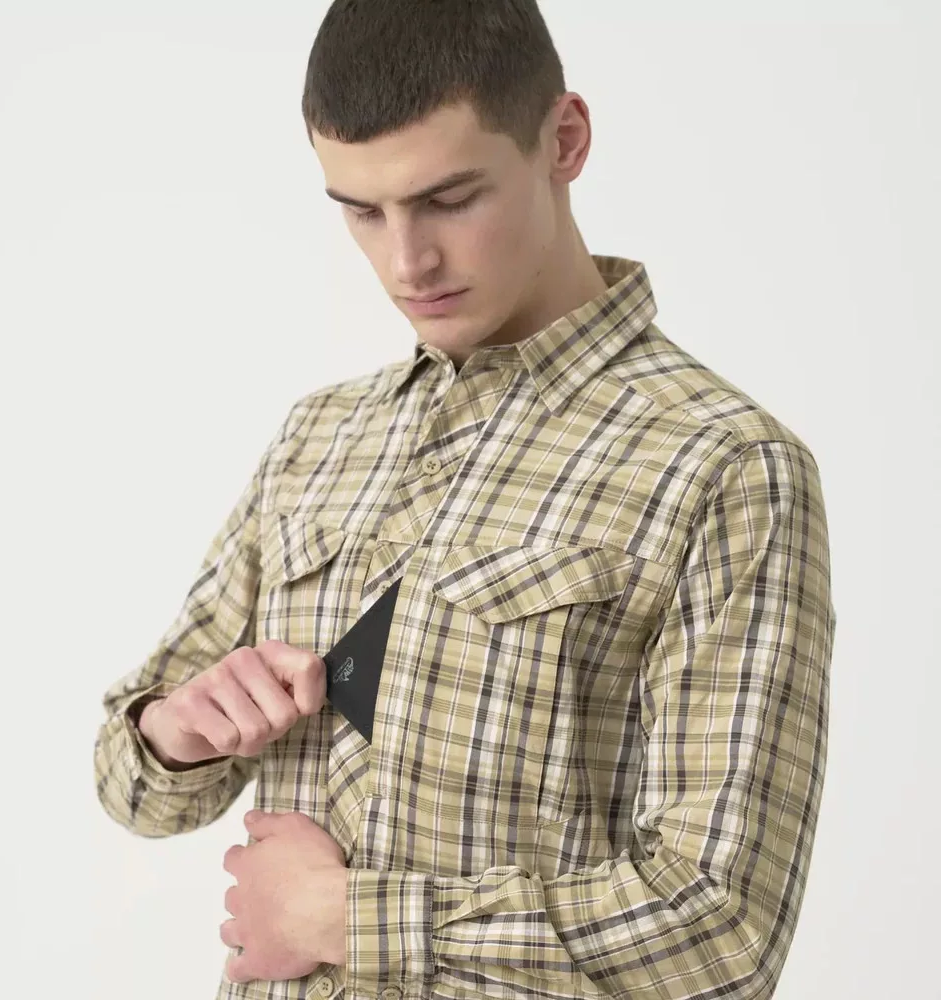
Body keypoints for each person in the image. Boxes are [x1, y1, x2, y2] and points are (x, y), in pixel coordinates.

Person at [93, 2, 837, 998]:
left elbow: (721, 932)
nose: (407, 263)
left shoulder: (722, 464)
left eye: (448, 199)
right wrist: (177, 730)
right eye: (362, 211)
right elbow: (134, 790)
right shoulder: (321, 437)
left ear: (563, 141)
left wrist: (338, 917)